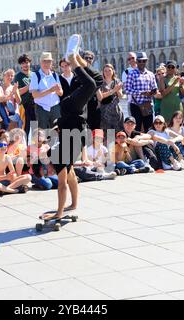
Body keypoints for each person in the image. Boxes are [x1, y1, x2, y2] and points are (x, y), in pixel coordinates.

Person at [44, 52, 103, 220]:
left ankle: (73, 58)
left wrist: (58, 213)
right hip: (77, 125)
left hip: (72, 113)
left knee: (92, 84)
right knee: (94, 82)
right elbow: (68, 180)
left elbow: (62, 187)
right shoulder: (60, 157)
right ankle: (74, 204)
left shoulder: (58, 158)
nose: (50, 171)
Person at [125, 51, 158, 133]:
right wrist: (141, 93)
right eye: (140, 61)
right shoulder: (131, 74)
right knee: (136, 129)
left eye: (144, 61)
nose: (142, 63)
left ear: (146, 61)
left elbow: (155, 89)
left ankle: (147, 145)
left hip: (147, 105)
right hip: (136, 105)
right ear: (136, 61)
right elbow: (127, 90)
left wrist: (151, 92)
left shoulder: (151, 74)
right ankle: (137, 145)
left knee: (149, 129)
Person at [30, 52, 63, 130]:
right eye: (44, 61)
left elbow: (61, 93)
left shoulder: (55, 75)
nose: (46, 63)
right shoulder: (35, 75)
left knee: (57, 132)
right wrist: (50, 90)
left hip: (55, 107)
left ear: (52, 63)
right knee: (42, 133)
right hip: (41, 108)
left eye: (49, 61)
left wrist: (58, 90)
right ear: (40, 62)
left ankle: (57, 142)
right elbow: (34, 95)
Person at [97, 64, 124, 134]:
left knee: (118, 133)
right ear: (103, 72)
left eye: (109, 70)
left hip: (116, 110)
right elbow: (100, 97)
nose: (107, 72)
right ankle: (109, 145)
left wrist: (117, 90)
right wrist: (113, 90)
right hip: (105, 111)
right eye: (105, 71)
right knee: (109, 136)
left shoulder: (117, 81)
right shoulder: (100, 82)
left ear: (113, 71)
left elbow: (120, 96)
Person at [15, 54, 36, 137]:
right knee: (25, 130)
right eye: (23, 63)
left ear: (30, 63)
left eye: (27, 62)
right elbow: (17, 92)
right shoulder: (18, 76)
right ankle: (25, 148)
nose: (25, 65)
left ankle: (35, 149)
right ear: (20, 64)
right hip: (24, 106)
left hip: (35, 105)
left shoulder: (34, 74)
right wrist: (30, 86)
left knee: (35, 129)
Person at [82, 51, 102, 130]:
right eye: (86, 58)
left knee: (96, 128)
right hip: (83, 104)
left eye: (90, 58)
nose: (88, 59)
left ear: (93, 60)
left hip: (94, 103)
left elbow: (99, 90)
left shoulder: (95, 73)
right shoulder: (79, 72)